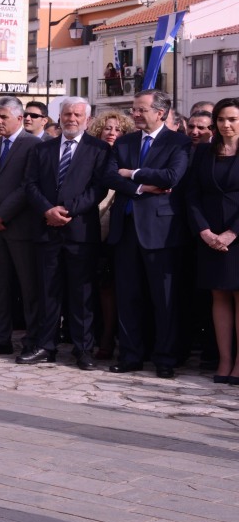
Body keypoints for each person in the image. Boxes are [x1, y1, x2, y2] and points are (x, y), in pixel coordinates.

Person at [100, 89, 192, 378]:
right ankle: (130, 355)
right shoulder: (125, 142)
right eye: (134, 109)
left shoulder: (179, 142)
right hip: (125, 230)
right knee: (128, 297)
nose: (135, 114)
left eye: (141, 110)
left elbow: (170, 178)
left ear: (160, 113)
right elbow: (109, 174)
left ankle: (165, 358)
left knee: (163, 299)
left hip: (160, 232)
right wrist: (140, 186)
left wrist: (133, 173)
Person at [21, 97, 111, 370]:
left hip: (81, 232)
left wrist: (67, 210)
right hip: (47, 230)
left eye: (77, 114)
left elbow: (99, 189)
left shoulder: (99, 149)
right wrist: (48, 210)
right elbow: (30, 184)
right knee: (48, 291)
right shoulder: (42, 149)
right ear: (58, 117)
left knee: (82, 293)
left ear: (88, 119)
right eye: (67, 114)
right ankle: (45, 345)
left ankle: (83, 349)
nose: (72, 119)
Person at [0, 96, 44, 356]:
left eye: (3, 117)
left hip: (20, 228)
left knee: (29, 288)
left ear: (19, 117)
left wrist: (2, 214)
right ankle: (0, 338)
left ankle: (33, 338)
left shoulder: (33, 146)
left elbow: (28, 185)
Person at [185, 99, 239, 385]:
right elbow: (191, 194)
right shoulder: (205, 152)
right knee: (218, 295)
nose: (225, 125)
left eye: (232, 119)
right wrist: (204, 231)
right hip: (210, 235)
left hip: (236, 235)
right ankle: (225, 360)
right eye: (221, 119)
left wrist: (232, 233)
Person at [87, 109, 135, 360]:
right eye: (108, 128)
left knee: (109, 288)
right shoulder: (92, 153)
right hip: (87, 227)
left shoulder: (127, 158)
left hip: (115, 231)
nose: (113, 133)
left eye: (119, 129)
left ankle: (107, 337)